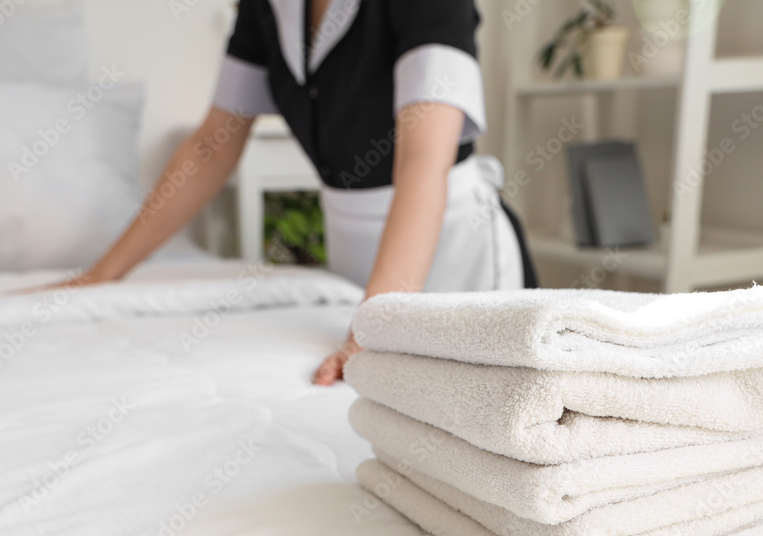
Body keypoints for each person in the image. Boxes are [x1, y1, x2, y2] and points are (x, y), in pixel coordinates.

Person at [44, 0, 535, 385]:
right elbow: (212, 147)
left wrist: (375, 327)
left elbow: (423, 158)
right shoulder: (270, 7)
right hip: (354, 260)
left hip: (454, 247)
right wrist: (103, 274)